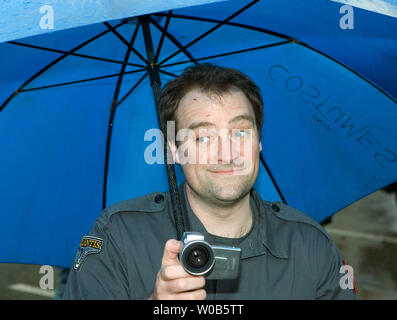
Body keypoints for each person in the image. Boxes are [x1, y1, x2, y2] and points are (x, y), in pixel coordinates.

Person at [63, 63, 356, 300]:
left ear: (259, 141)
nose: (227, 154)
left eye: (240, 132)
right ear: (174, 150)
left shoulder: (311, 245)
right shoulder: (118, 235)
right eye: (203, 137)